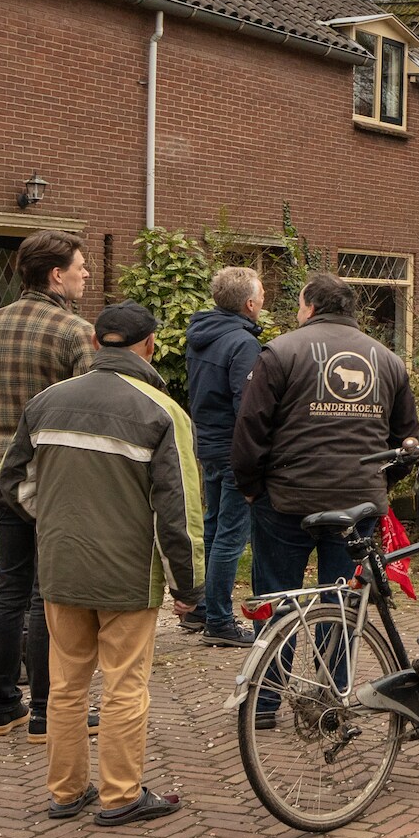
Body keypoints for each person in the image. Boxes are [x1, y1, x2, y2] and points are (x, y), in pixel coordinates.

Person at [0, 301, 204, 826]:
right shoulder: (163, 412)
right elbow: (178, 509)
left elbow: (12, 478)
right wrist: (189, 586)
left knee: (65, 684)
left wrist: (57, 525)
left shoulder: (46, 403)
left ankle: (66, 792)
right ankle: (120, 795)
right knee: (124, 684)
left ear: (95, 341)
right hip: (127, 575)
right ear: (150, 345)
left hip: (60, 567)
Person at [0, 229, 94, 739]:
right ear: (57, 274)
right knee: (44, 592)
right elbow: (93, 409)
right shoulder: (75, 333)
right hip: (56, 480)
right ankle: (46, 710)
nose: (86, 274)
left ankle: (0, 705)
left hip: (0, 477)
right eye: (80, 267)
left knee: (7, 589)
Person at [231, 272, 419, 648]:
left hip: (287, 501)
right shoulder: (388, 360)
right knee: (341, 605)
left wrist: (252, 489)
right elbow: (407, 441)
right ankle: (335, 697)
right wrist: (379, 483)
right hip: (358, 503)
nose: (298, 314)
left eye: (300, 306)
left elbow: (251, 428)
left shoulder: (280, 352)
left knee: (277, 601)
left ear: (311, 307)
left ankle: (264, 701)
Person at [182, 266, 266, 648]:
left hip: (208, 444)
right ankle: (218, 619)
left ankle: (203, 608)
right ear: (249, 303)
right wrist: (256, 453)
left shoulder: (203, 335)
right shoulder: (242, 343)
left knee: (214, 527)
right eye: (261, 295)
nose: (264, 300)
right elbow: (246, 405)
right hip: (233, 448)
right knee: (232, 535)